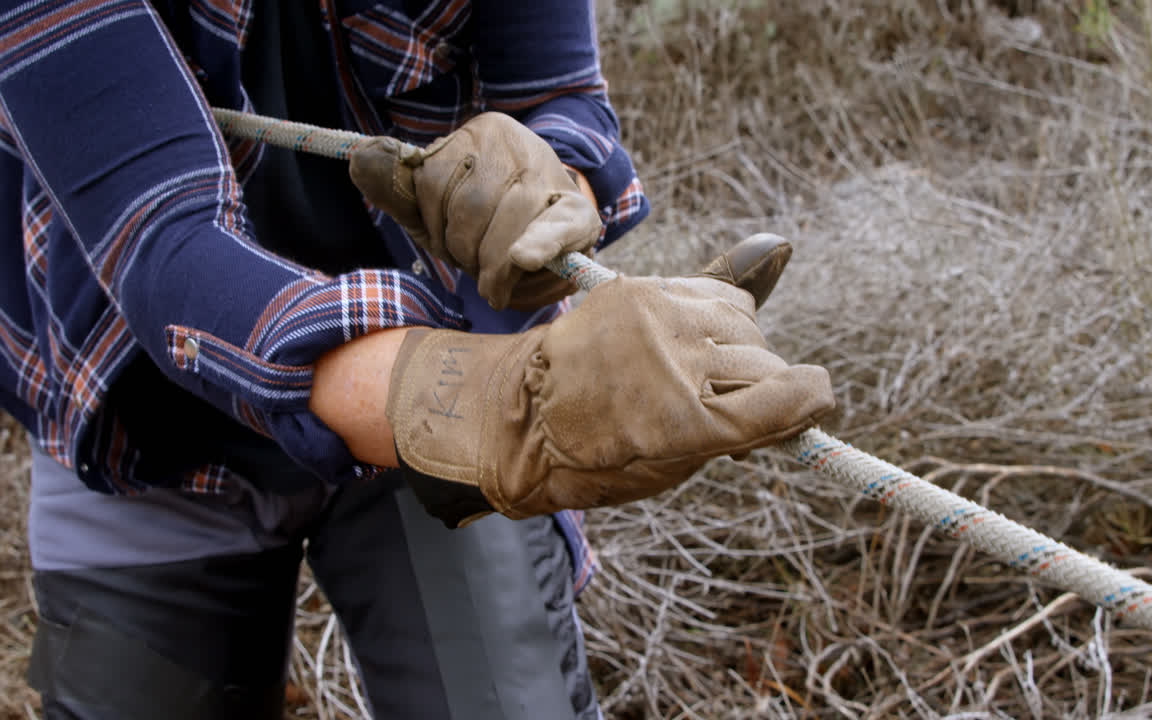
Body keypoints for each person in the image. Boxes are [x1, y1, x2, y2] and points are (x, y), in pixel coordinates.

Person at [0, 1, 833, 718]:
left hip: (446, 359)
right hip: (147, 420)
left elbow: (560, 98)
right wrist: (505, 406)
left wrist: (549, 194)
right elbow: (167, 250)